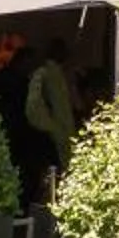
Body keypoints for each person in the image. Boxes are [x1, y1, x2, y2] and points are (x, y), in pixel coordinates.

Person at [23, 36, 77, 194]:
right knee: (50, 182)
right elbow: (33, 107)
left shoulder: (62, 74)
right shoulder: (43, 74)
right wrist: (51, 128)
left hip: (61, 134)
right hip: (50, 136)